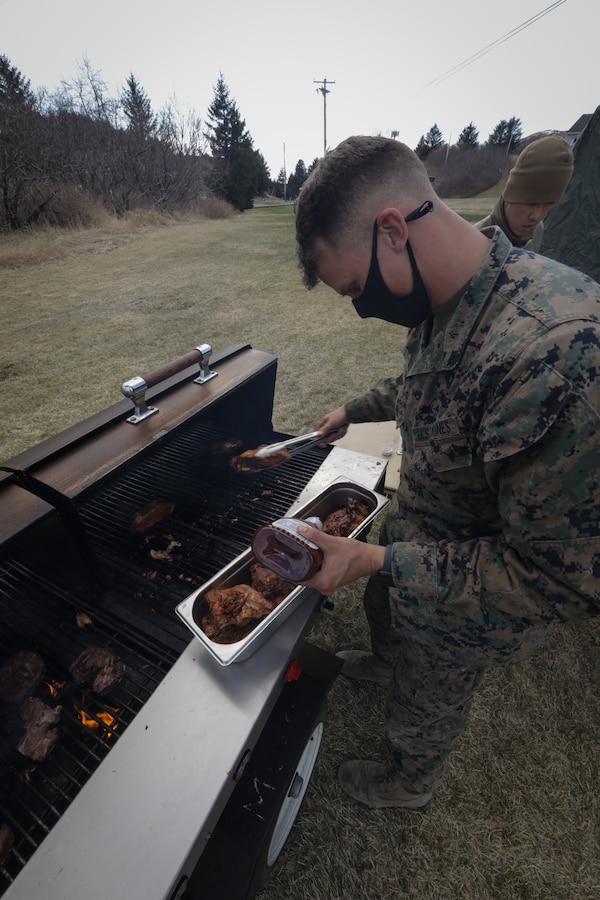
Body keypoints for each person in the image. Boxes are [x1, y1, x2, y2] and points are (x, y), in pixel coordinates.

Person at [293, 135, 600, 811]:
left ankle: (410, 780)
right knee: (386, 608)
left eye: (355, 287)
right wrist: (357, 408)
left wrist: (383, 560)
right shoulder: (452, 289)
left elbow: (555, 579)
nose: (361, 306)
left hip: (466, 593)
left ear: (394, 231)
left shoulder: (556, 356)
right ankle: (384, 657)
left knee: (429, 686)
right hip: (421, 522)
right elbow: (427, 384)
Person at [474, 134, 573, 251]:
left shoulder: (537, 230)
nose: (536, 216)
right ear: (511, 194)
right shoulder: (475, 240)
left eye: (549, 203)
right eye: (531, 202)